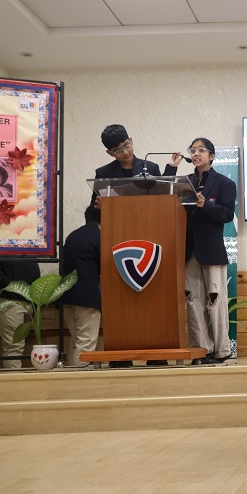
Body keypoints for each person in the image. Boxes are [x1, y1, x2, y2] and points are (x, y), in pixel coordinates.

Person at [171, 138, 236, 366]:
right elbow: (163, 197)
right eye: (193, 150)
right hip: (188, 250)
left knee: (215, 299)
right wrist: (172, 168)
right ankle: (201, 348)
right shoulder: (184, 182)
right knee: (192, 301)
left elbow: (227, 214)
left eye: (201, 150)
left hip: (211, 250)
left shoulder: (225, 183)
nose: (196, 153)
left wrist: (205, 205)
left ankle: (222, 349)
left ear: (212, 156)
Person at [90, 124, 178, 208]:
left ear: (131, 141)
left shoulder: (151, 168)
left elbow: (163, 196)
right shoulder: (103, 173)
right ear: (110, 153)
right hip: (116, 217)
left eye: (126, 145)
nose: (125, 152)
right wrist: (103, 207)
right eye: (118, 150)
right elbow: (92, 210)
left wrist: (171, 167)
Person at [60, 206, 102, 367]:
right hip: (86, 296)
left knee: (76, 341)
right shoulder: (100, 236)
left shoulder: (73, 235)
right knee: (85, 343)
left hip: (66, 295)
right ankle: (80, 379)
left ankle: (71, 376)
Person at [0, 261, 41, 369]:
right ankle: (14, 379)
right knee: (14, 346)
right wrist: (8, 285)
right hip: (9, 299)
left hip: (27, 299)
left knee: (14, 346)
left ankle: (7, 376)